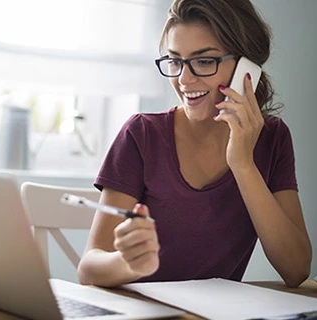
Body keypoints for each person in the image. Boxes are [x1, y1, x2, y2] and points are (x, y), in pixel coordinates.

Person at [77, 0, 312, 288]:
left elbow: (296, 268)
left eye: (204, 61)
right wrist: (128, 262)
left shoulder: (272, 138)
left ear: (246, 70)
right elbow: (88, 267)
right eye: (175, 61)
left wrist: (243, 164)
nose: (184, 79)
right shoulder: (141, 134)